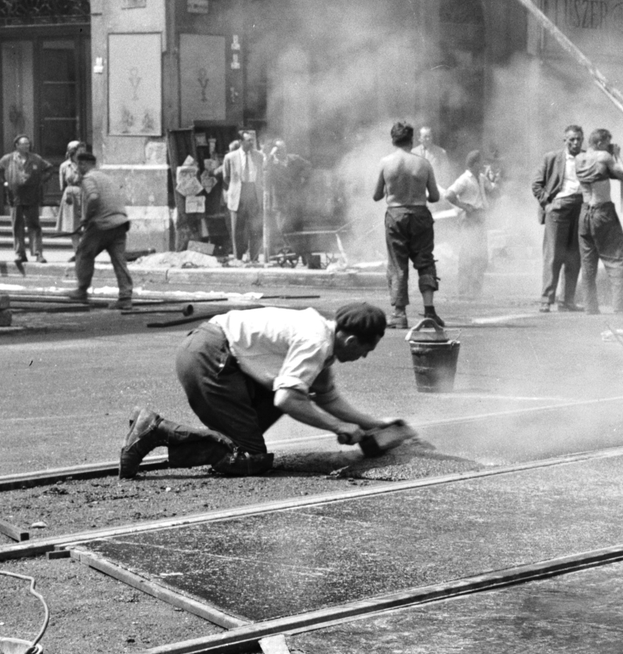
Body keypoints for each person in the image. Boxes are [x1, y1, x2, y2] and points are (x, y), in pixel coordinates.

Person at [118, 301, 395, 478]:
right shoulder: (316, 342)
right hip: (211, 355)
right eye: (366, 350)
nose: (365, 357)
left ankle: (195, 438)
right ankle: (155, 429)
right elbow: (288, 399)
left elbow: (326, 396)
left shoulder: (322, 336)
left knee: (290, 395)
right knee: (249, 458)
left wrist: (375, 424)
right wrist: (339, 427)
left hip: (212, 350)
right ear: (350, 340)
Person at [372, 120, 442, 330]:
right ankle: (429, 311)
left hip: (395, 215)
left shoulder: (385, 163)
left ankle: (399, 314)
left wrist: (394, 190)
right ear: (411, 141)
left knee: (397, 264)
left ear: (393, 140)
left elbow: (376, 195)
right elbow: (435, 196)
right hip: (420, 215)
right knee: (425, 261)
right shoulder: (423, 163)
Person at [575, 127, 623, 314]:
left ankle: (590, 307)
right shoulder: (604, 157)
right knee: (616, 260)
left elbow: (602, 174)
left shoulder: (579, 159)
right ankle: (621, 307)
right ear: (599, 143)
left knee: (588, 264)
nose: (609, 146)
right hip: (602, 211)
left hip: (584, 212)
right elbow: (622, 174)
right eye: (606, 143)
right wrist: (617, 155)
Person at [66, 143, 133, 306]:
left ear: (83, 164)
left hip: (102, 224)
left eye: (79, 165)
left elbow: (94, 198)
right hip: (120, 222)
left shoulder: (88, 178)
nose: (78, 169)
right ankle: (125, 297)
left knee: (83, 253)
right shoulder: (105, 177)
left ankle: (81, 290)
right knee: (119, 260)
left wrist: (87, 217)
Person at [531, 125, 585, 312]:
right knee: (553, 255)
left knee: (575, 256)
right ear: (565, 140)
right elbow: (536, 184)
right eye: (572, 139)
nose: (576, 143)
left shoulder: (586, 158)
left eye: (579, 139)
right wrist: (547, 204)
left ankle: (567, 301)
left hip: (580, 208)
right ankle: (546, 299)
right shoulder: (552, 158)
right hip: (558, 209)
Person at [0, 135, 51, 271]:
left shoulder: (36, 158)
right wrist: (4, 182)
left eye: (28, 144)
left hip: (32, 197)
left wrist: (40, 181)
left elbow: (49, 169)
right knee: (17, 225)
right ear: (17, 145)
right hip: (15, 197)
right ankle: (20, 253)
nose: (27, 146)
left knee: (34, 225)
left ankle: (38, 253)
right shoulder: (8, 159)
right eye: (24, 144)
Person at [444, 150, 494, 299]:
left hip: (480, 217)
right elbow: (449, 194)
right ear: (475, 163)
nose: (483, 165)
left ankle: (475, 290)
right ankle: (463, 291)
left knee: (481, 256)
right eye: (481, 162)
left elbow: (492, 190)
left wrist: (495, 182)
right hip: (469, 218)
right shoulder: (464, 179)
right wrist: (464, 206)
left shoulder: (481, 178)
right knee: (467, 254)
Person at [224, 134, 264, 261]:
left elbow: (262, 175)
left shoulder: (259, 156)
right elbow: (226, 178)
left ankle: (254, 258)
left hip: (254, 194)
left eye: (253, 140)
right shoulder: (230, 157)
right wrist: (235, 190)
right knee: (237, 230)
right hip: (238, 195)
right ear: (241, 142)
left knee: (256, 228)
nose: (252, 143)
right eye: (249, 140)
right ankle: (238, 258)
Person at [55, 144, 82, 237]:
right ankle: (77, 249)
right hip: (71, 195)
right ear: (72, 152)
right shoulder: (64, 166)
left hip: (84, 193)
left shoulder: (86, 164)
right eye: (79, 151)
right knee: (72, 225)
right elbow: (62, 185)